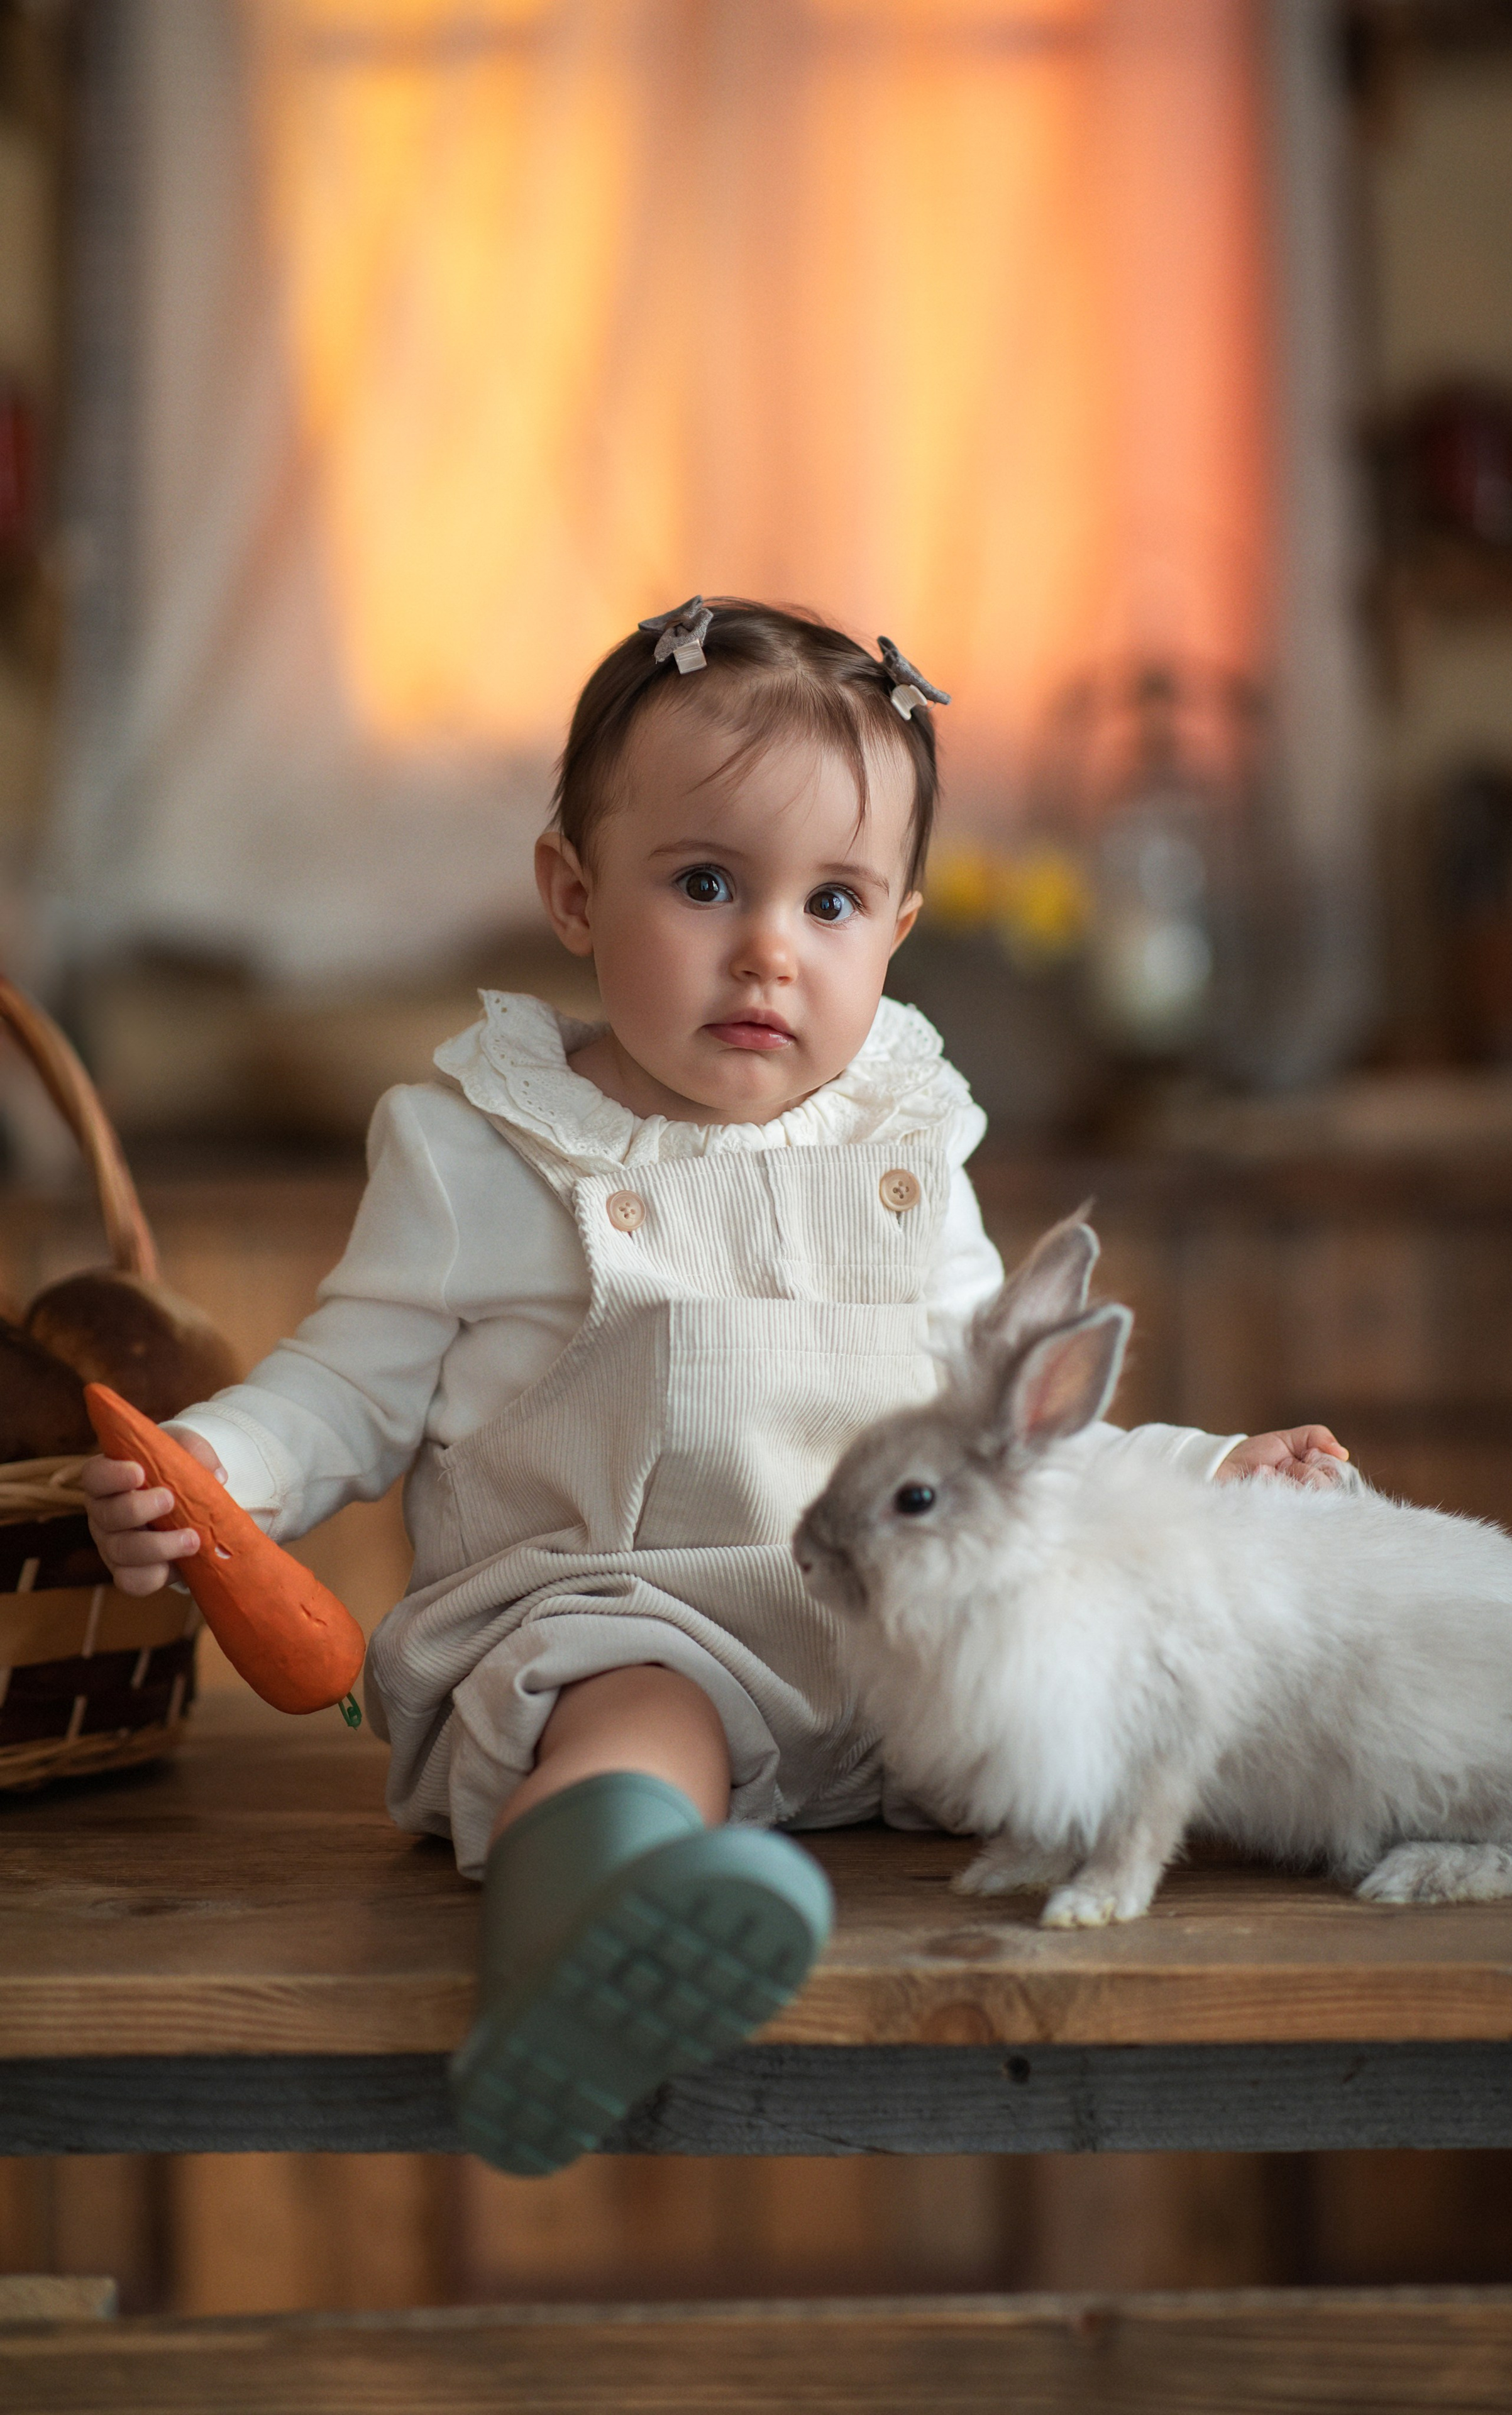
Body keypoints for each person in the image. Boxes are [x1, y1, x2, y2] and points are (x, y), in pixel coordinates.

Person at [83, 597, 1348, 2174]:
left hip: (879, 1639)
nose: (768, 948)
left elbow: (999, 1431)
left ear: (895, 933)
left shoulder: (903, 1144)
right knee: (642, 1717)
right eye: (703, 884)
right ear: (572, 889)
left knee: (1065, 1681)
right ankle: (585, 1938)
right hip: (628, 1610)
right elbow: (345, 1385)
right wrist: (212, 1469)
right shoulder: (485, 1145)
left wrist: (1210, 1463)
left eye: (831, 901)